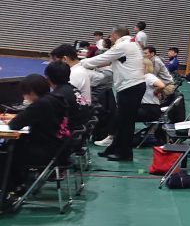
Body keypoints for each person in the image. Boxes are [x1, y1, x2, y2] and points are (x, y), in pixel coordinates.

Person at [80, 26, 146, 161]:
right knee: (122, 121)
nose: (110, 38)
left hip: (130, 87)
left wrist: (80, 64)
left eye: (111, 36)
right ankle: (113, 149)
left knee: (126, 123)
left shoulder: (123, 45)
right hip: (132, 85)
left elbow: (103, 58)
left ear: (115, 35)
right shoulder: (131, 43)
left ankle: (125, 154)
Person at [1, 75, 67, 199]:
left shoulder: (40, 104)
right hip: (58, 147)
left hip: (46, 151)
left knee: (5, 153)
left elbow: (15, 125)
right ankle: (19, 184)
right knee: (15, 144)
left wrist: (26, 111)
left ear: (31, 92)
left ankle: (9, 190)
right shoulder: (55, 98)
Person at [139, 58, 169, 122]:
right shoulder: (142, 77)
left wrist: (156, 92)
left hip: (150, 110)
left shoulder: (149, 76)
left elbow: (161, 85)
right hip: (145, 107)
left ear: (145, 67)